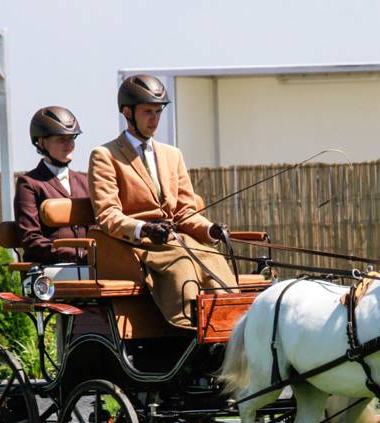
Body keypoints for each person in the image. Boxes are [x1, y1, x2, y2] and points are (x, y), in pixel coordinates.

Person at [88, 74, 235, 331]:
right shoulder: (105, 155)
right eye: (148, 112)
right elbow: (108, 214)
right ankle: (189, 328)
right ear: (128, 113)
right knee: (182, 262)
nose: (154, 119)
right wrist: (144, 228)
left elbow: (185, 211)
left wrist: (209, 230)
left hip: (174, 238)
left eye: (158, 112)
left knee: (212, 257)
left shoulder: (172, 154)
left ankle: (229, 324)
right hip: (135, 244)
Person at [14, 106, 89, 264]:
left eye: (72, 138)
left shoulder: (85, 181)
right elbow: (31, 239)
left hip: (90, 266)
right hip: (51, 268)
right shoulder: (29, 184)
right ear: (41, 142)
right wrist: (77, 255)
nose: (69, 145)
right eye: (61, 139)